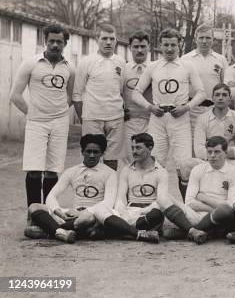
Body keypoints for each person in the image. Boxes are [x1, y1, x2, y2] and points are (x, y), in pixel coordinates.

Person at [131, 28, 207, 199]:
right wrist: (150, 107)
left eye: (173, 44)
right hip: (158, 118)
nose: (170, 49)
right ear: (160, 46)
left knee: (185, 165)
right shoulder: (153, 66)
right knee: (155, 162)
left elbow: (202, 93)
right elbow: (135, 93)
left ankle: (188, 207)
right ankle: (154, 205)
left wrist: (186, 107)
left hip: (180, 118)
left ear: (179, 45)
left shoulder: (187, 66)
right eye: (166, 45)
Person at [10, 23, 75, 209]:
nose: (55, 45)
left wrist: (58, 112)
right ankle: (34, 214)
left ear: (65, 44)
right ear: (45, 41)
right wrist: (33, 113)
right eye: (51, 41)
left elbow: (70, 97)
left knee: (53, 170)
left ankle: (49, 213)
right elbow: (15, 95)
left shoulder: (70, 68)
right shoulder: (31, 64)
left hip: (60, 123)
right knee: (34, 170)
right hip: (36, 123)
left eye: (59, 42)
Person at [25, 134, 117, 243]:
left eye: (96, 152)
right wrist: (59, 212)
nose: (92, 155)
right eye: (88, 151)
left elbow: (108, 202)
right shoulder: (72, 171)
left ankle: (50, 230)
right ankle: (61, 231)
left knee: (87, 219)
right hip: (73, 214)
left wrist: (86, 212)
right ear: (82, 152)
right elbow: (51, 196)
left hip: (93, 214)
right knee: (34, 207)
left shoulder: (110, 173)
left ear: (102, 153)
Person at [92, 133, 167, 243]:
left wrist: (142, 212)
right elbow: (121, 197)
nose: (134, 152)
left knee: (157, 213)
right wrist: (125, 215)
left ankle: (120, 229)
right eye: (132, 148)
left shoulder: (161, 172)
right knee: (99, 209)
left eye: (138, 148)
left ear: (150, 148)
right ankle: (137, 233)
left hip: (148, 213)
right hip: (130, 212)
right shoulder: (126, 170)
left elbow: (161, 200)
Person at [73, 23, 126, 170]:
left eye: (112, 38)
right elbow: (77, 94)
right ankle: (91, 191)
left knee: (112, 161)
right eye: (104, 38)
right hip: (92, 118)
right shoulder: (86, 62)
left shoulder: (121, 62)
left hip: (115, 118)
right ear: (97, 39)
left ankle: (110, 191)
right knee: (91, 158)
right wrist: (84, 118)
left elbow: (121, 91)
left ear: (116, 40)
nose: (108, 42)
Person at [181, 136, 235, 242]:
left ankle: (187, 232)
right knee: (163, 200)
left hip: (220, 219)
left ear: (226, 153)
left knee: (225, 211)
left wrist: (203, 197)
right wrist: (216, 209)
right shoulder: (198, 169)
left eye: (217, 152)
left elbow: (230, 206)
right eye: (209, 152)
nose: (213, 156)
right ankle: (201, 231)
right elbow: (189, 202)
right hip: (196, 215)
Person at [180, 24, 228, 131]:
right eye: (201, 38)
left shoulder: (221, 59)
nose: (204, 41)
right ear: (196, 40)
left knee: (213, 143)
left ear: (213, 40)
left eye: (208, 38)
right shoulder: (185, 59)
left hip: (214, 109)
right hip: (192, 110)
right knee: (193, 144)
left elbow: (225, 86)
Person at [193, 83, 235, 170]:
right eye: (217, 95)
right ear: (212, 98)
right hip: (209, 160)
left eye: (224, 95)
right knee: (186, 165)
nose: (220, 98)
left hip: (229, 161)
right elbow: (199, 151)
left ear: (230, 99)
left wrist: (217, 153)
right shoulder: (202, 118)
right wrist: (217, 154)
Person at [123, 31, 152, 165]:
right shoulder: (123, 69)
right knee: (131, 161)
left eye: (143, 46)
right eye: (136, 47)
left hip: (151, 122)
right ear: (130, 48)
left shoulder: (155, 68)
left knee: (151, 161)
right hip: (129, 122)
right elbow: (115, 93)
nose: (139, 50)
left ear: (149, 47)